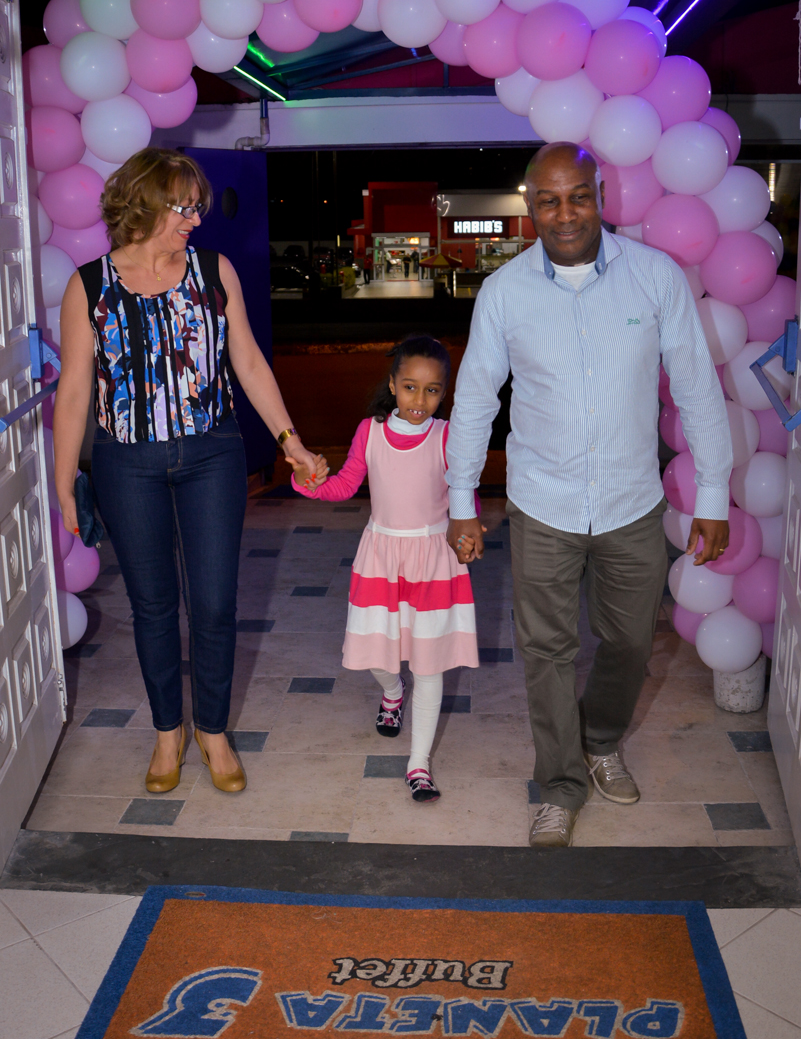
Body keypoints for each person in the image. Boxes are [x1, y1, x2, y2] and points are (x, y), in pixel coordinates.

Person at [446, 143, 732, 848]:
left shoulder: (653, 277)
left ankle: (600, 737)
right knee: (545, 650)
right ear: (529, 207)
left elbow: (695, 386)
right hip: (541, 502)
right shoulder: (505, 292)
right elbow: (477, 398)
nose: (564, 212)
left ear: (599, 194)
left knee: (631, 638)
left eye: (577, 195)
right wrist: (460, 499)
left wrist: (715, 491)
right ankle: (562, 782)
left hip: (630, 502)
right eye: (548, 200)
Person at [54, 148, 327, 796]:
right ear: (145, 203)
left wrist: (290, 441)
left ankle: (212, 730)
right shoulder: (88, 286)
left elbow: (250, 365)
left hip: (212, 455)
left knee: (212, 602)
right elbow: (72, 393)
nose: (195, 220)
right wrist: (64, 481)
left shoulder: (214, 272)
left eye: (197, 206)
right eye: (184, 206)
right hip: (126, 464)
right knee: (151, 606)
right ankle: (166, 733)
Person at [293, 335, 479, 801]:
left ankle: (419, 764)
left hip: (434, 561)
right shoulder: (369, 432)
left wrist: (468, 535)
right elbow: (343, 487)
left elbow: (464, 499)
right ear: (393, 384)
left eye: (432, 390)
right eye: (411, 387)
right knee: (376, 655)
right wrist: (309, 483)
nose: (421, 400)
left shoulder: (448, 436)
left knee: (431, 666)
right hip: (381, 558)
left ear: (444, 392)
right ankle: (393, 693)